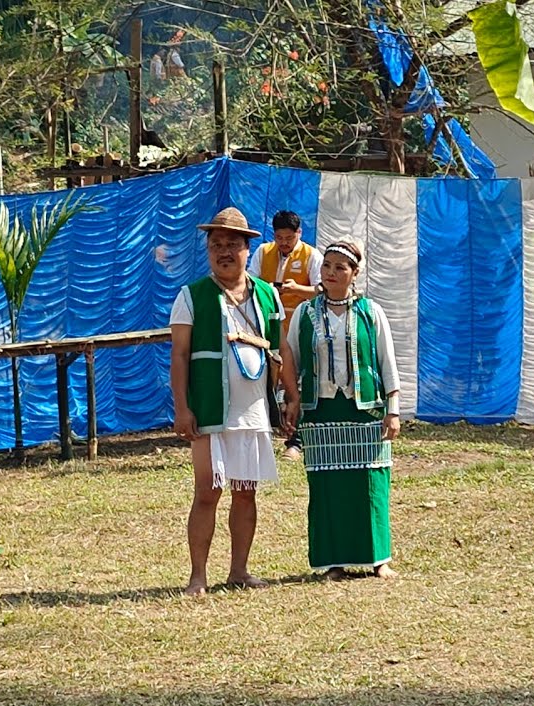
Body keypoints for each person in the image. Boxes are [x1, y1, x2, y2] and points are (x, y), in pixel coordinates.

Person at [170, 206, 288, 597]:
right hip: (209, 409)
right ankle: (197, 577)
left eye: (232, 245)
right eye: (216, 244)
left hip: (253, 410)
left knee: (245, 491)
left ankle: (239, 570)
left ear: (247, 250)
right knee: (207, 491)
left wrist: (289, 399)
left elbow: (279, 350)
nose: (224, 251)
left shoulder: (267, 295)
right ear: (207, 250)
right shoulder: (192, 296)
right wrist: (183, 408)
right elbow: (180, 355)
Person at [282, 237, 401, 581]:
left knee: (371, 482)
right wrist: (289, 400)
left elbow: (386, 361)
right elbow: (290, 358)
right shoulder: (305, 313)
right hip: (320, 412)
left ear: (355, 273)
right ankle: (332, 561)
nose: (331, 273)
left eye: (340, 267)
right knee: (327, 486)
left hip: (363, 411)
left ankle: (378, 559)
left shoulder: (370, 312)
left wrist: (392, 410)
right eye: (327, 266)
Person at [247, 210, 322, 461]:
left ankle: (296, 442)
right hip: (268, 329)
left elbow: (322, 289)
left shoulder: (312, 255)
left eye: (289, 237)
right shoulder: (263, 252)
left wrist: (297, 289)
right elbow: (250, 283)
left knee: (296, 386)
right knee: (266, 382)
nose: (284, 243)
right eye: (279, 237)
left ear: (299, 234)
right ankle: (263, 436)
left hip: (300, 328)